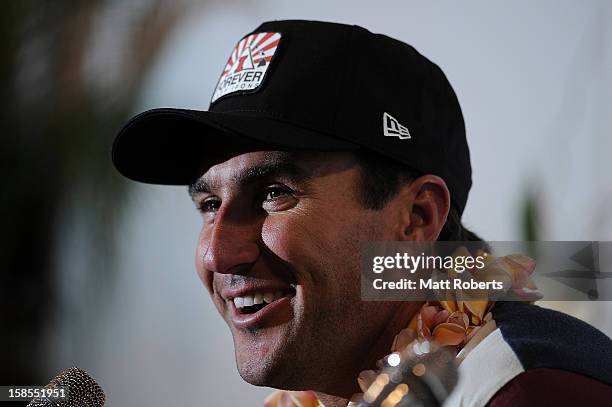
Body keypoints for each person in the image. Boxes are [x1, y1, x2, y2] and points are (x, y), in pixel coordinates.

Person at [112, 20, 612, 406]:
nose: (218, 252)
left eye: (273, 194)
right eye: (210, 204)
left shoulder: (526, 389)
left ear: (416, 218)